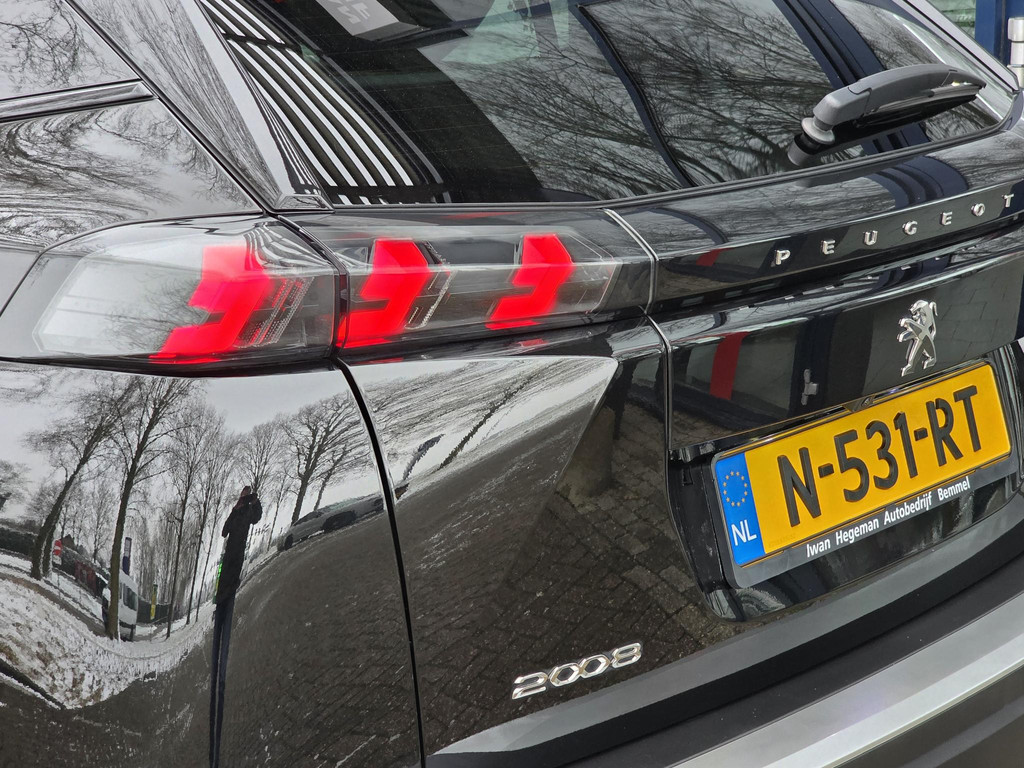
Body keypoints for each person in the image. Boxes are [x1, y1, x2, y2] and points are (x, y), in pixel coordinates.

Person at [210, 486, 262, 768]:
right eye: (244, 496)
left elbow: (258, 517)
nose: (245, 498)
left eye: (246, 496)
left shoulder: (251, 509)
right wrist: (235, 508)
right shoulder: (237, 510)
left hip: (239, 555)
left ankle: (226, 603)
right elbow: (223, 531)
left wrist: (256, 501)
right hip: (229, 555)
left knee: (230, 588)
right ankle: (220, 605)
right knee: (223, 589)